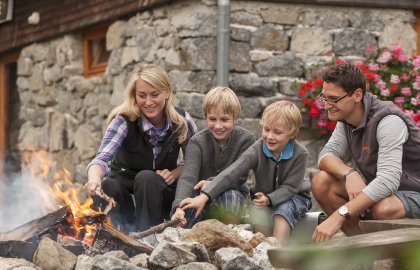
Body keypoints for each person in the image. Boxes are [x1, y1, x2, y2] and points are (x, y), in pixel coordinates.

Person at [311, 62, 420, 243]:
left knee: (383, 208)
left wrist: (340, 215)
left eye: (333, 99)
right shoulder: (346, 120)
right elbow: (325, 156)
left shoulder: (388, 121)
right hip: (388, 196)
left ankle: (393, 257)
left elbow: (388, 180)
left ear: (357, 95)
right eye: (324, 98)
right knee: (322, 182)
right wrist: (349, 173)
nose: (326, 105)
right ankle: (364, 253)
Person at [174, 100, 311, 245]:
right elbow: (233, 171)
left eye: (277, 132)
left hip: (295, 196)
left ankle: (279, 252)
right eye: (266, 129)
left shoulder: (300, 153)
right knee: (257, 213)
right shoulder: (257, 148)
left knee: (282, 212)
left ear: (293, 134)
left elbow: (290, 187)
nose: (270, 136)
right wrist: (204, 196)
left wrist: (269, 199)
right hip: (263, 200)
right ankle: (263, 252)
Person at [84, 63, 197, 231]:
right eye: (142, 95)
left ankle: (146, 236)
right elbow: (101, 159)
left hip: (160, 195)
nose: (148, 102)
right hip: (124, 193)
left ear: (167, 92)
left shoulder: (181, 121)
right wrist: (94, 180)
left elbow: (195, 160)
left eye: (155, 94)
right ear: (134, 95)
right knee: (108, 186)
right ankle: (114, 234)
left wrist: (174, 173)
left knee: (147, 178)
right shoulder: (123, 121)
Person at [171, 86, 256, 227]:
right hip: (199, 197)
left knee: (231, 196)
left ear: (235, 118)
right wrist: (178, 207)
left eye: (224, 119)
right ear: (205, 117)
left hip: (230, 196)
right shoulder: (197, 141)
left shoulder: (246, 140)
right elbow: (188, 178)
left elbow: (238, 177)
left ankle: (229, 238)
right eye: (212, 119)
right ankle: (188, 239)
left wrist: (211, 182)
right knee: (185, 208)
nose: (218, 125)